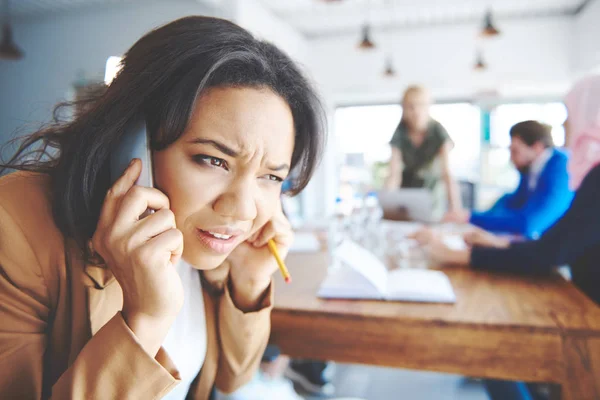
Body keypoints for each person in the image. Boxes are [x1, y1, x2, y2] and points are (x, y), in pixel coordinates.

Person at [0, 16, 324, 400]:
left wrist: (250, 284)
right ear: (133, 146)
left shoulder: (210, 248)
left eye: (270, 177)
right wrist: (144, 318)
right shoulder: (15, 222)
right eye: (212, 160)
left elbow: (230, 379)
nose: (242, 210)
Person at [411, 74, 600, 400]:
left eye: (570, 117)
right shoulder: (578, 172)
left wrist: (460, 254)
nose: (566, 129)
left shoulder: (576, 171)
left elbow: (542, 240)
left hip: (587, 322)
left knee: (493, 351)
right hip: (581, 303)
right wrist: (489, 236)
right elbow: (534, 225)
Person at [443, 120, 574, 239]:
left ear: (537, 147)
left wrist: (470, 217)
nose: (511, 159)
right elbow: (512, 203)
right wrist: (472, 217)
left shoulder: (561, 168)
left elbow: (528, 223)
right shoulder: (531, 169)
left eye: (515, 151)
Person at [385, 85, 462, 218]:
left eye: (420, 105)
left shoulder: (438, 131)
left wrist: (455, 210)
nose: (415, 111)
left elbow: (447, 173)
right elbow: (394, 174)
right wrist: (387, 204)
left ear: (428, 106)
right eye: (410, 106)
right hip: (407, 195)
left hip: (432, 194)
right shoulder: (400, 132)